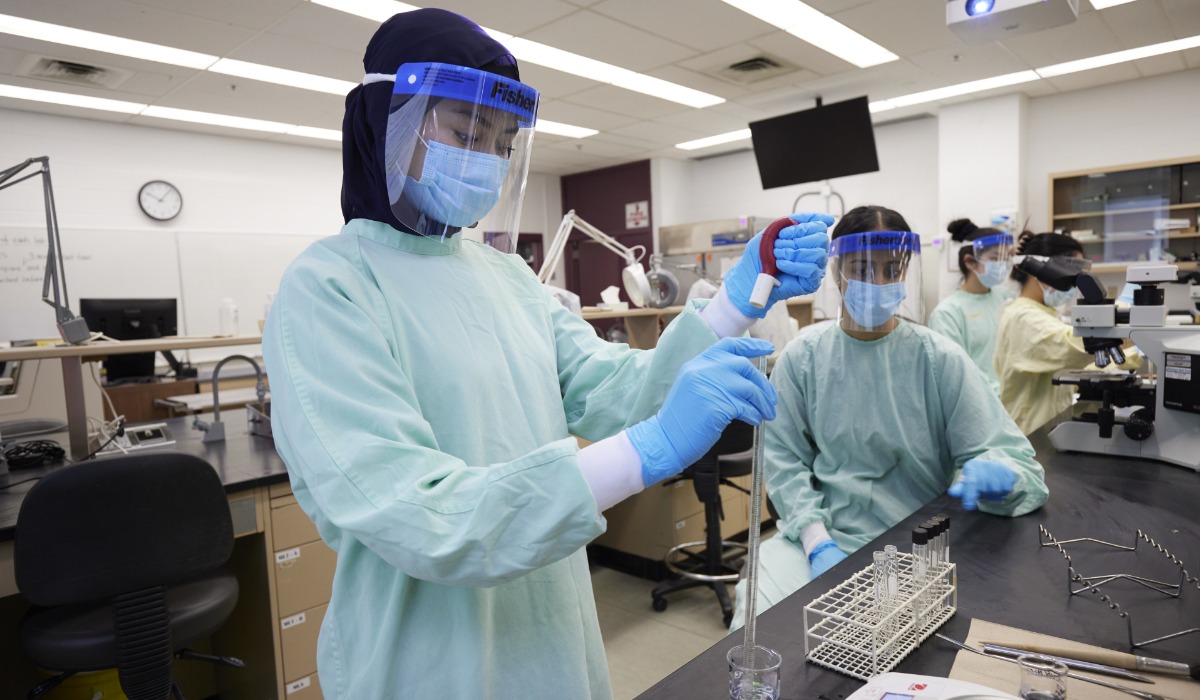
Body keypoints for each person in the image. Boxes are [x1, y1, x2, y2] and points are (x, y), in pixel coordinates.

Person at [261, 9, 832, 699]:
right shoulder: (329, 289)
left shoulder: (505, 279)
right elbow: (421, 515)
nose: (488, 159)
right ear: (390, 120)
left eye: (503, 142)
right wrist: (646, 447)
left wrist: (734, 301)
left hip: (554, 639)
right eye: (468, 131)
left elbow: (623, 390)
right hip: (427, 661)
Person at [730, 205, 1048, 631]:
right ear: (837, 270)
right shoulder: (803, 358)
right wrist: (815, 540)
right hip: (821, 538)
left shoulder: (937, 359)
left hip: (917, 545)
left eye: (891, 270)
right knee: (756, 629)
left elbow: (1014, 458)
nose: (878, 283)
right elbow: (784, 461)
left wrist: (1001, 474)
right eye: (861, 269)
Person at [993, 231, 1138, 435]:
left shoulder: (1045, 312)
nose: (1074, 283)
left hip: (1048, 428)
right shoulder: (1022, 317)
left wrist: (1138, 354)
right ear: (1043, 271)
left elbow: (1085, 362)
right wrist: (1123, 314)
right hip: (1029, 436)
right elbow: (1072, 346)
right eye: (1071, 274)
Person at [927, 218, 1016, 394]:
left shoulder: (1006, 297)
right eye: (995, 258)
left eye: (1007, 258)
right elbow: (955, 374)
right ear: (970, 262)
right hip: (980, 403)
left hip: (1014, 400)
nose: (1003, 265)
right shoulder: (948, 313)